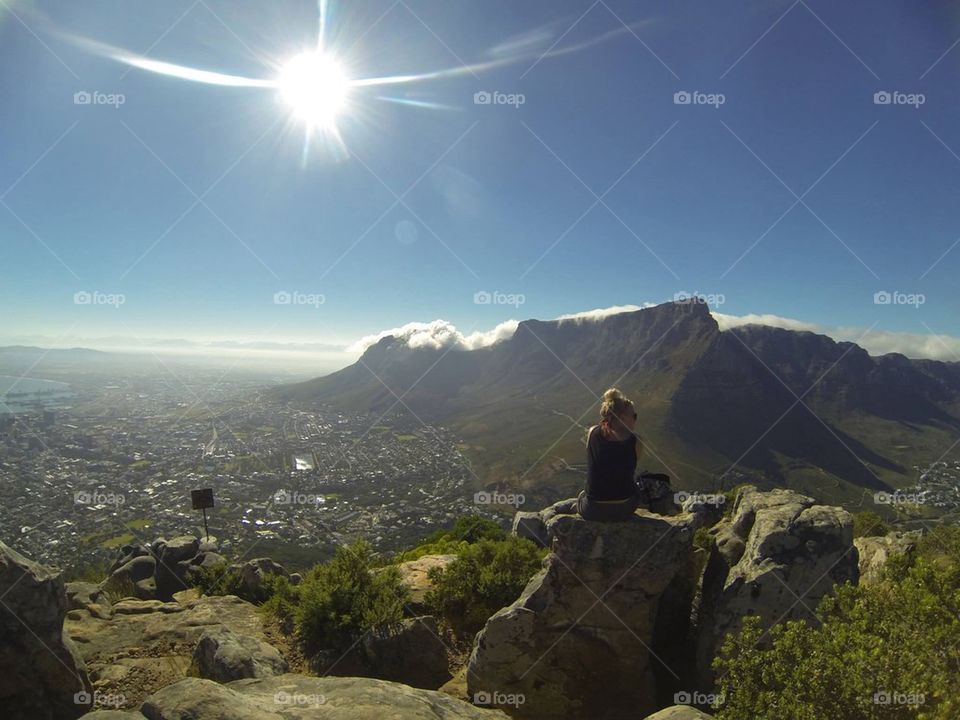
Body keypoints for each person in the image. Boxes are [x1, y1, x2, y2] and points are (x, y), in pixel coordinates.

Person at [577, 387, 644, 521]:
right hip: (625, 508)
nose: (635, 419)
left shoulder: (592, 433)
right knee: (638, 487)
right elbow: (630, 470)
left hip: (592, 510)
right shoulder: (636, 442)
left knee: (581, 496)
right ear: (623, 418)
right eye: (634, 416)